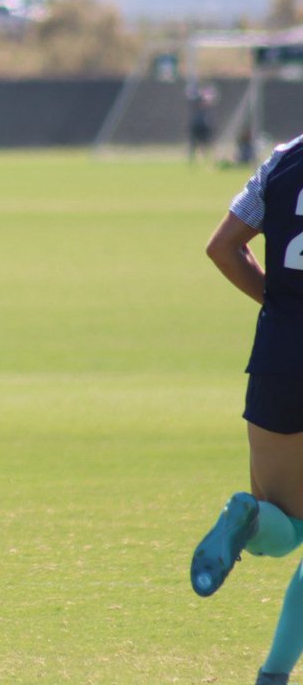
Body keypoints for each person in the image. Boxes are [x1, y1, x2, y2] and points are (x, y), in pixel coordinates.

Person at [192, 133, 303, 684]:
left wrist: (282, 305)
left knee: (284, 523)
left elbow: (221, 246)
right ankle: (273, 676)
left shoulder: (283, 159)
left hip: (279, 357)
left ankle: (249, 516)